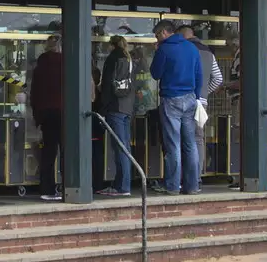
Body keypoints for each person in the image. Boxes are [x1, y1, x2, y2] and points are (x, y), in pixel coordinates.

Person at [147, 19, 203, 194]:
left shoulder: (164, 49)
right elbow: (199, 74)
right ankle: (192, 185)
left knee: (173, 144)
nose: (156, 39)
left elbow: (155, 73)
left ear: (164, 32)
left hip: (171, 99)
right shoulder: (192, 48)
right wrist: (197, 96)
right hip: (190, 97)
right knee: (190, 144)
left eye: (157, 35)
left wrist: (157, 52)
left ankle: (172, 186)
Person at [180, 26, 225, 178]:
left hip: (185, 98)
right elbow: (218, 78)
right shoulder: (208, 52)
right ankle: (197, 176)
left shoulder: (184, 50)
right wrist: (205, 91)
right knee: (198, 138)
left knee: (183, 138)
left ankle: (184, 177)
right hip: (202, 102)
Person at [96, 35, 136, 197]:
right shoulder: (128, 59)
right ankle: (123, 183)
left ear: (112, 45)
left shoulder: (113, 59)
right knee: (125, 147)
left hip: (115, 108)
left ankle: (122, 186)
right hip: (127, 108)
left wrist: (102, 110)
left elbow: (107, 87)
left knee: (119, 148)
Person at [30, 34, 65, 201]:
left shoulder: (40, 67)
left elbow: (34, 93)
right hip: (65, 112)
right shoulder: (67, 64)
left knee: (49, 152)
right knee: (67, 151)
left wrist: (37, 115)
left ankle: (47, 188)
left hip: (46, 114)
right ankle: (69, 186)